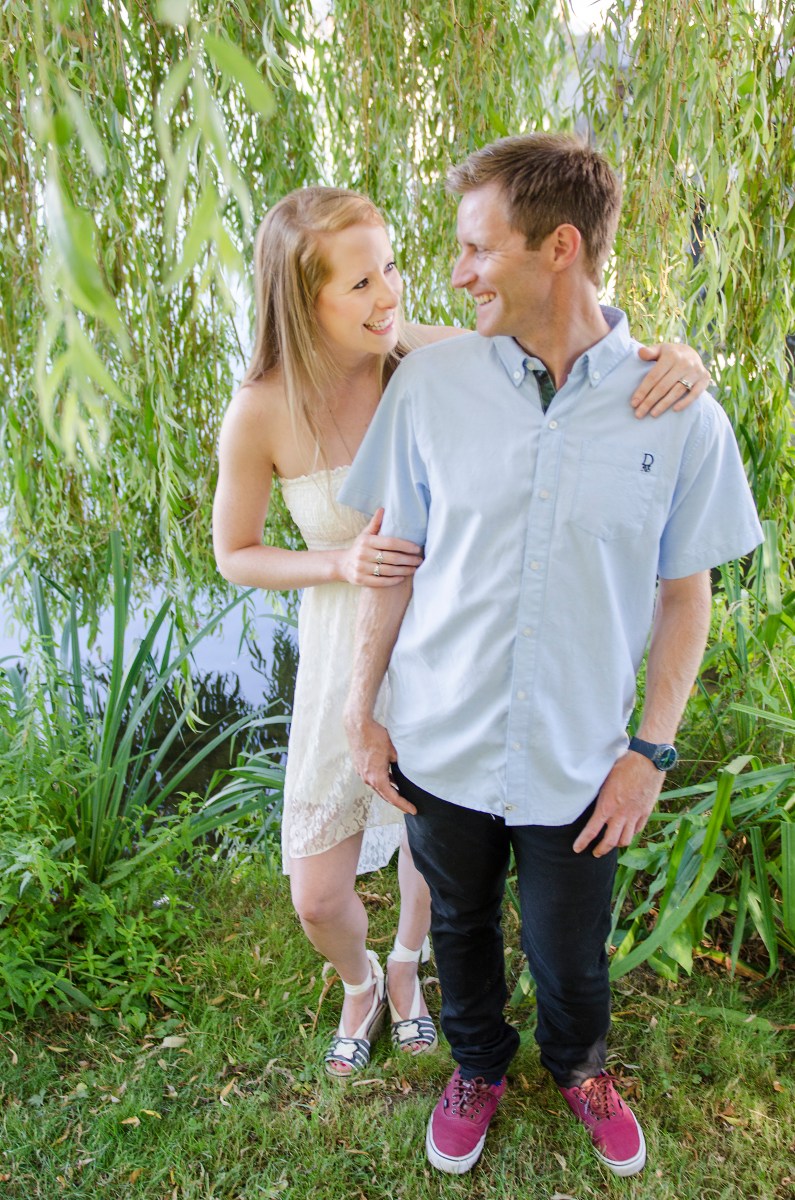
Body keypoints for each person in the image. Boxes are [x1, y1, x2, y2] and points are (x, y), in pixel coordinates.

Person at [212, 184, 711, 1083]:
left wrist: (675, 357)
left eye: (391, 268)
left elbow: (574, 348)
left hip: (447, 639)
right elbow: (235, 554)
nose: (392, 295)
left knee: (434, 850)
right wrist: (336, 566)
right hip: (349, 638)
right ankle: (359, 979)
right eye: (361, 283)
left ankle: (409, 966)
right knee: (318, 891)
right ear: (301, 297)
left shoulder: (429, 360)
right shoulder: (262, 409)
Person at [340, 134, 762, 1177]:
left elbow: (682, 596)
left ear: (559, 247)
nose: (456, 272)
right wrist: (362, 710)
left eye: (479, 249)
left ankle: (579, 1064)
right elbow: (391, 563)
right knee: (462, 929)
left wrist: (650, 752)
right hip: (442, 738)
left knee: (571, 950)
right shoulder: (432, 389)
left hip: (582, 760)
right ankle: (477, 1060)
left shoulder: (680, 414)